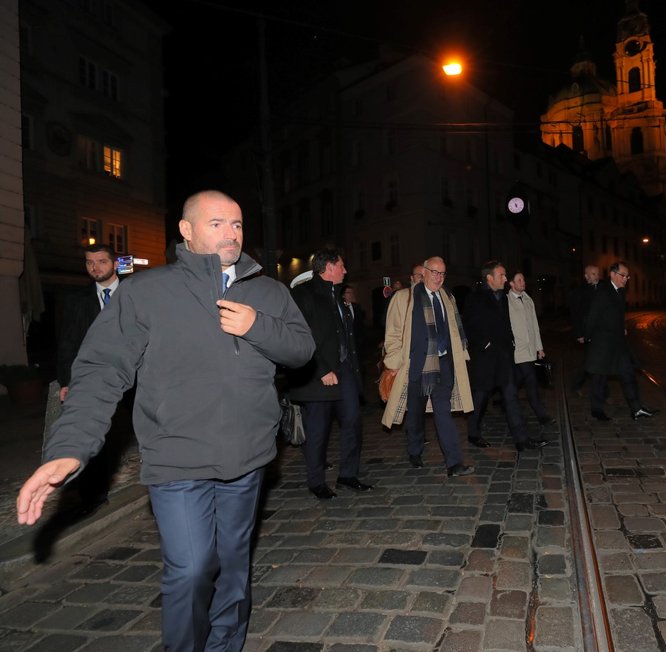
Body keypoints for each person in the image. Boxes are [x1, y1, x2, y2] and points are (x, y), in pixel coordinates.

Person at [17, 190, 315, 650]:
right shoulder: (146, 292)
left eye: (236, 224)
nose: (231, 234)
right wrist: (68, 449)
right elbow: (100, 371)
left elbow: (301, 350)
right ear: (186, 230)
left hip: (248, 457)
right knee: (193, 570)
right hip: (177, 460)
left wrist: (258, 325)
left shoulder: (269, 291)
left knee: (234, 567)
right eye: (216, 223)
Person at [381, 256, 475, 476]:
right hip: (417, 366)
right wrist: (393, 362)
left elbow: (454, 330)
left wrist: (461, 355)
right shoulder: (405, 298)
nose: (439, 277)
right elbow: (393, 334)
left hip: (443, 364)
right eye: (434, 272)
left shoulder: (448, 297)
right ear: (423, 273)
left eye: (442, 273)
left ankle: (454, 463)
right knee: (415, 414)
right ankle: (414, 451)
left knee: (444, 413)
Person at [289, 250, 372, 498]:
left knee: (352, 422)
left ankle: (348, 474)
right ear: (328, 267)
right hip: (319, 374)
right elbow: (301, 336)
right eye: (342, 266)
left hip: (345, 371)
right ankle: (316, 482)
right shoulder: (303, 294)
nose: (346, 271)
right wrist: (322, 368)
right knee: (318, 430)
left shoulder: (339, 297)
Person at [55, 242, 127, 517]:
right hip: (97, 378)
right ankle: (93, 496)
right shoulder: (77, 301)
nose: (95, 268)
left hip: (138, 376)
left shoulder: (136, 293)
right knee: (96, 434)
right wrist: (67, 381)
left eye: (101, 262)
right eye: (89, 263)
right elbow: (67, 345)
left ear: (115, 263)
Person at [464, 261, 549, 451]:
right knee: (480, 398)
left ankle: (522, 440)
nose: (505, 278)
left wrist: (511, 343)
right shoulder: (475, 298)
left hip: (503, 358)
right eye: (501, 275)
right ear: (489, 278)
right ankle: (473, 433)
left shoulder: (503, 297)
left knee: (511, 397)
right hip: (485, 360)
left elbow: (507, 325)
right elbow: (469, 327)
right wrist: (485, 344)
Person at [585, 261, 657, 421]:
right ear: (612, 274)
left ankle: (636, 409)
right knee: (599, 378)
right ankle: (596, 410)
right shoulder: (603, 292)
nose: (626, 279)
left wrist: (622, 326)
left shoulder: (621, 292)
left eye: (627, 276)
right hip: (603, 343)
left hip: (618, 343)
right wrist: (588, 338)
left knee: (628, 373)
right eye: (623, 275)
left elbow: (617, 315)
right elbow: (593, 316)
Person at [508, 272, 553, 425]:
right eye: (519, 280)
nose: (523, 282)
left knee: (517, 380)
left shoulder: (528, 300)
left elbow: (535, 325)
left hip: (530, 350)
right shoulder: (506, 301)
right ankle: (541, 415)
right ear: (511, 284)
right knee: (531, 380)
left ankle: (506, 399)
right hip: (518, 350)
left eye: (523, 279)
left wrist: (539, 348)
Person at [569, 265, 600, 390]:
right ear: (586, 276)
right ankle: (578, 385)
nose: (596, 276)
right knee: (591, 361)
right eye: (593, 274)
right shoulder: (579, 292)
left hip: (600, 332)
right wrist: (579, 334)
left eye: (597, 273)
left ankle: (601, 391)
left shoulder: (602, 288)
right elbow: (575, 314)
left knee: (596, 361)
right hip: (588, 332)